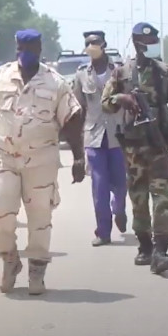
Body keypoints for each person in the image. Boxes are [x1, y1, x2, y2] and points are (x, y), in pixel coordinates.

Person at [0, 29, 85, 295]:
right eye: (22, 46)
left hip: (41, 160)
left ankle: (37, 269)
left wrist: (79, 156)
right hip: (3, 156)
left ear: (40, 47)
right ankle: (10, 260)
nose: (26, 52)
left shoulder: (55, 82)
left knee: (40, 218)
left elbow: (71, 121)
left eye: (32, 46)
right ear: (16, 47)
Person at [102, 22, 168, 275]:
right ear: (137, 43)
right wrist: (122, 99)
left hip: (159, 145)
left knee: (162, 197)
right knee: (138, 197)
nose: (152, 46)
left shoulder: (166, 72)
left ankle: (161, 249)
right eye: (148, 43)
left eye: (154, 42)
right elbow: (106, 103)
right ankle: (145, 246)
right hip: (133, 147)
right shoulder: (121, 73)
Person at [72, 31, 127, 247]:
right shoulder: (81, 74)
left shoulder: (119, 71)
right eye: (88, 43)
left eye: (95, 42)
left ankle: (119, 209)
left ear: (103, 44)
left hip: (118, 134)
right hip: (94, 136)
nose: (91, 46)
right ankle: (103, 231)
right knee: (99, 185)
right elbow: (79, 108)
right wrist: (77, 141)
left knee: (121, 183)